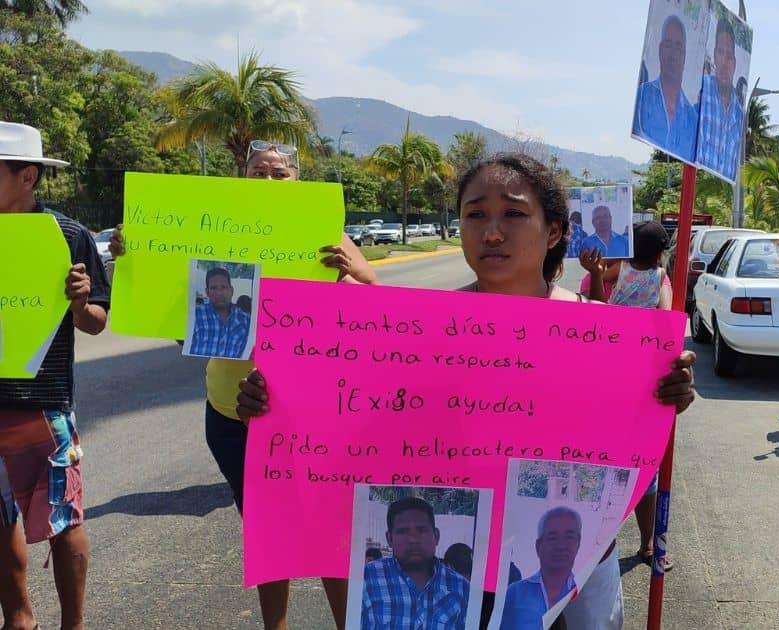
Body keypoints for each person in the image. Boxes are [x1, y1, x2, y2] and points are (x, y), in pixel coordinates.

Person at [234, 152, 698, 630]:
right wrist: (274, 409)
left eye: (514, 214)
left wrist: (666, 392)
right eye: (475, 214)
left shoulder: (605, 333)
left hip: (574, 566)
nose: (492, 231)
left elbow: (627, 441)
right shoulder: (417, 331)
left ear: (555, 230)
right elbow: (355, 424)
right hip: (469, 578)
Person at [109, 139, 377, 630]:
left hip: (315, 415)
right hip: (232, 411)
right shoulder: (215, 239)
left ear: (298, 181)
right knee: (266, 528)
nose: (269, 181)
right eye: (259, 171)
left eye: (280, 173)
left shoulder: (329, 236)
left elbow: (378, 313)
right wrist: (138, 262)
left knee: (326, 527)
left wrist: (346, 276)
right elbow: (176, 322)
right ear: (242, 178)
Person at [0, 121, 109, 630]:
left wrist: (81, 302)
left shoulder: (68, 236)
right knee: (1, 519)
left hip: (45, 403)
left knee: (64, 518)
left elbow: (96, 325)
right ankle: (19, 619)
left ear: (28, 177)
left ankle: (74, 624)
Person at [596, 222, 675, 571]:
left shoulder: (620, 268)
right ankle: (647, 545)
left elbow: (599, 300)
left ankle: (606, 542)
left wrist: (596, 272)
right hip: (638, 372)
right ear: (661, 252)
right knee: (644, 468)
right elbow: (666, 320)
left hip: (612, 368)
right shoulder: (660, 277)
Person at [361, 497, 469, 629]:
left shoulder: (462, 588)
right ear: (389, 538)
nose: (413, 539)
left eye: (421, 530)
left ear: (436, 536)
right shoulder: (367, 578)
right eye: (403, 531)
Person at [500, 507, 582, 629]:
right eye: (552, 538)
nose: (561, 545)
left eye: (569, 537)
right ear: (539, 546)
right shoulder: (515, 593)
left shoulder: (587, 592)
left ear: (578, 543)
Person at [632, 14, 700, 161]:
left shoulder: (692, 118)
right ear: (660, 50)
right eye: (668, 45)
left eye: (678, 47)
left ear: (684, 57)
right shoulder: (643, 96)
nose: (673, 54)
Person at [695, 17, 745, 181]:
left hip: (723, 199)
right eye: (720, 52)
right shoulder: (701, 91)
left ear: (735, 64)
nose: (724, 62)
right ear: (714, 56)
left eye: (729, 56)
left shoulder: (739, 115)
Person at [190, 267, 252, 359]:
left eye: (223, 287)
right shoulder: (194, 315)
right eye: (214, 288)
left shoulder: (246, 321)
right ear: (207, 292)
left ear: (231, 290)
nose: (219, 293)